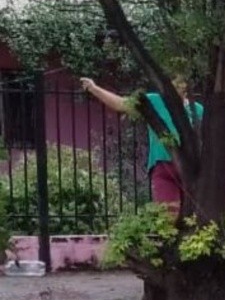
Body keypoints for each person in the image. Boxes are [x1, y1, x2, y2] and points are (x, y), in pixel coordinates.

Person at [80, 76, 203, 214]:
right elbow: (122, 104)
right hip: (163, 166)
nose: (177, 87)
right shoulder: (153, 101)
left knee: (193, 217)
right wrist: (94, 88)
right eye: (173, 82)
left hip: (190, 169)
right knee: (169, 215)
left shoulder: (197, 110)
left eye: (181, 83)